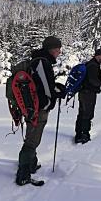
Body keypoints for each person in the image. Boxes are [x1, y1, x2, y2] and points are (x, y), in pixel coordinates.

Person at [15, 35, 66, 186]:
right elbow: (45, 87)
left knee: (33, 136)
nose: (59, 52)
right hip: (38, 108)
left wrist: (56, 88)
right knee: (33, 139)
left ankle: (31, 163)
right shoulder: (42, 62)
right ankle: (23, 173)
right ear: (51, 49)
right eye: (57, 49)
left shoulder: (41, 61)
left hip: (34, 106)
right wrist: (55, 94)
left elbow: (44, 84)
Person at [74, 47, 101, 144]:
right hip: (88, 94)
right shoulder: (93, 65)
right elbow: (93, 81)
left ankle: (79, 134)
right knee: (87, 114)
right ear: (97, 56)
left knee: (82, 113)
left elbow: (91, 81)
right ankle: (84, 135)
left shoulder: (89, 64)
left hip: (83, 92)